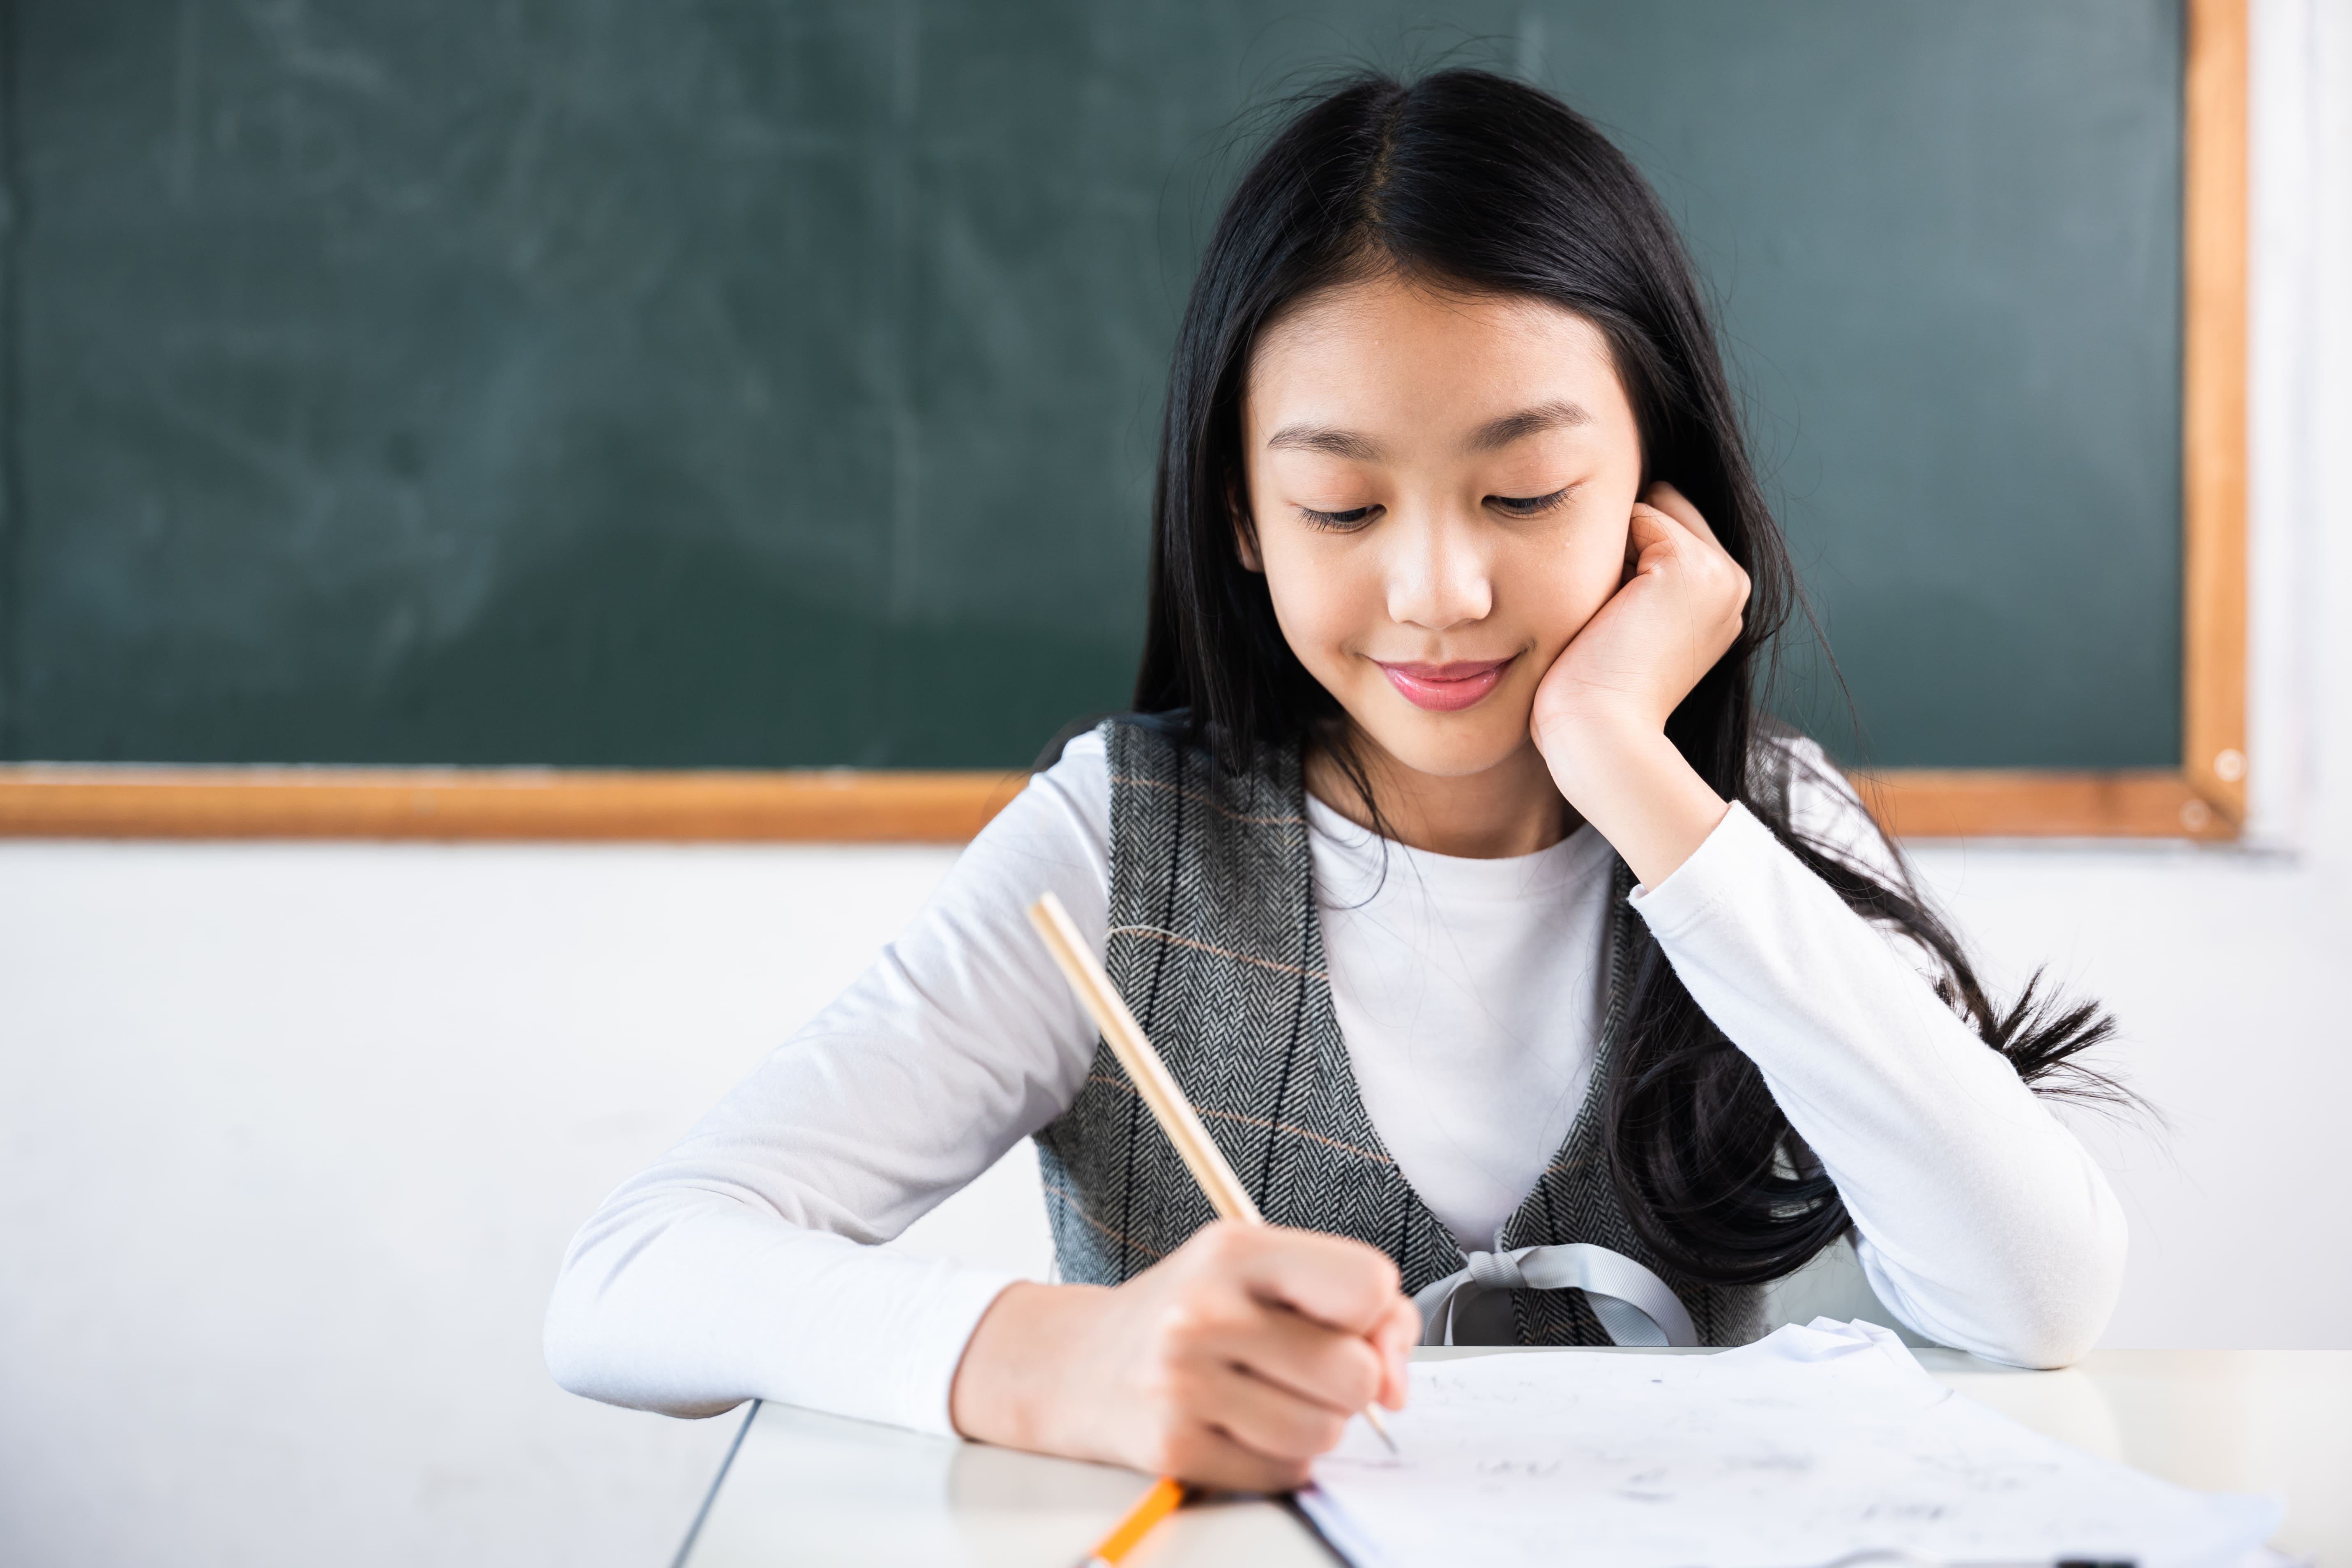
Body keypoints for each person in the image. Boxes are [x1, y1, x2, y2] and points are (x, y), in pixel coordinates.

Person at [545, 69, 2126, 1492]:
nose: (1439, 589)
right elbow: (628, 1277)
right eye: (1340, 507)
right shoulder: (1120, 850)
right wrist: (1055, 1360)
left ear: (1657, 491)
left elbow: (2037, 1299)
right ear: (1240, 516)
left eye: (1524, 490)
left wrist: (1634, 774)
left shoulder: (1748, 832)